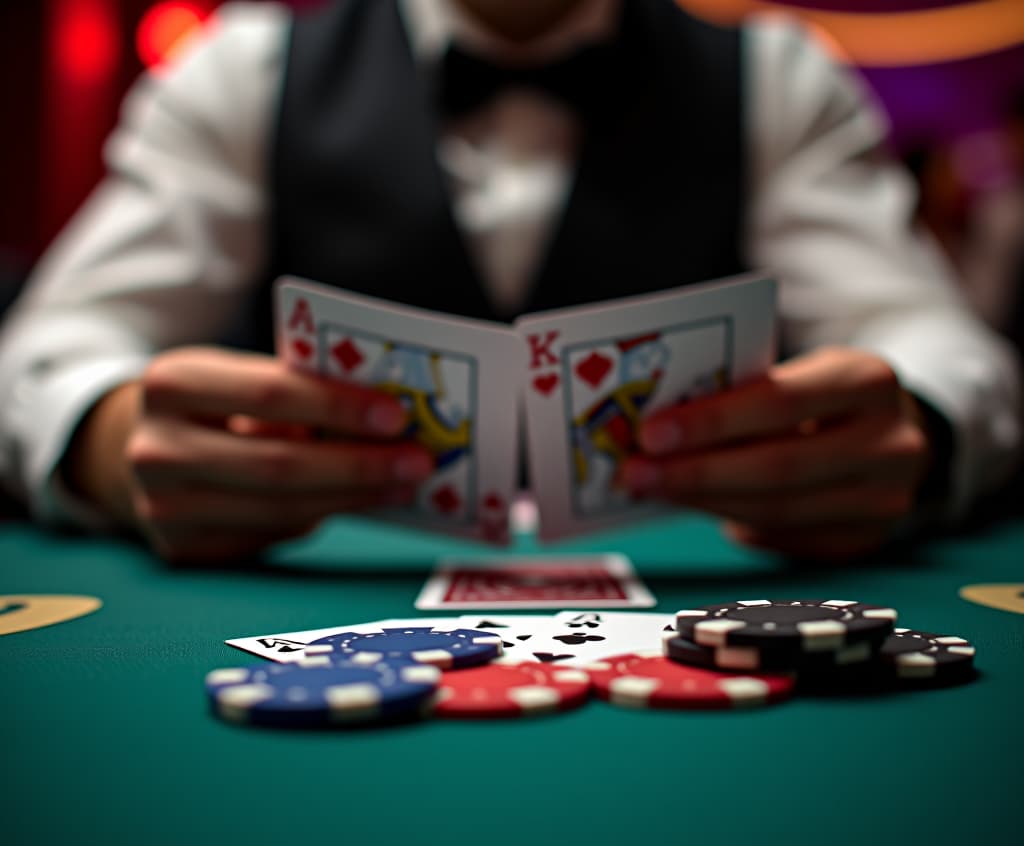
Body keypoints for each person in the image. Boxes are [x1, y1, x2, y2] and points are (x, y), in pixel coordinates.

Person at [0, 0, 1020, 564]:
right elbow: (45, 351)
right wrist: (106, 435)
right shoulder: (240, 67)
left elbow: (944, 348)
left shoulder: (780, 75)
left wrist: (915, 429)